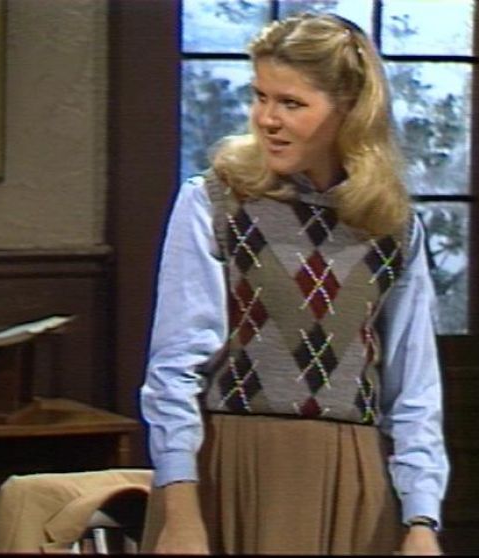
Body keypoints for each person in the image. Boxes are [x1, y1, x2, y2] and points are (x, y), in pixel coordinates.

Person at [140, 12, 449, 556]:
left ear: (348, 111)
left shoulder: (392, 225)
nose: (267, 119)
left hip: (354, 481)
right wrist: (180, 512)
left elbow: (414, 388)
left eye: (291, 103)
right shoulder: (215, 202)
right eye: (259, 96)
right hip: (230, 469)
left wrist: (422, 520)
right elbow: (174, 370)